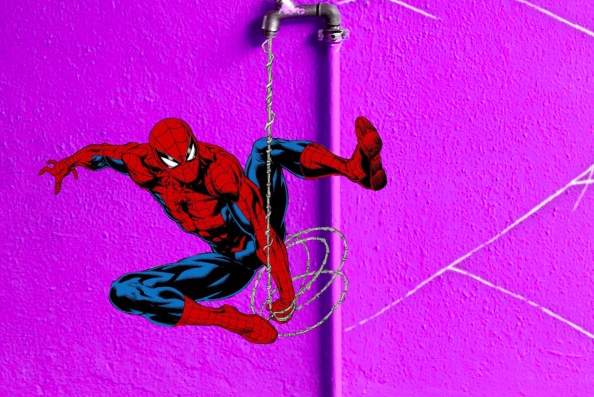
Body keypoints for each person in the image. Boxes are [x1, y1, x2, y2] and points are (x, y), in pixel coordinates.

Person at [40, 116, 386, 344]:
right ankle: (228, 320)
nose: (187, 169)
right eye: (175, 162)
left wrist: (286, 294)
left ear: (195, 143)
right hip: (229, 264)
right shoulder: (140, 164)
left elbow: (265, 234)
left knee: (265, 150)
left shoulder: (220, 172)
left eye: (190, 155)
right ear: (157, 159)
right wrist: (68, 163)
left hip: (257, 237)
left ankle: (353, 169)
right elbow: (101, 153)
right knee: (125, 291)